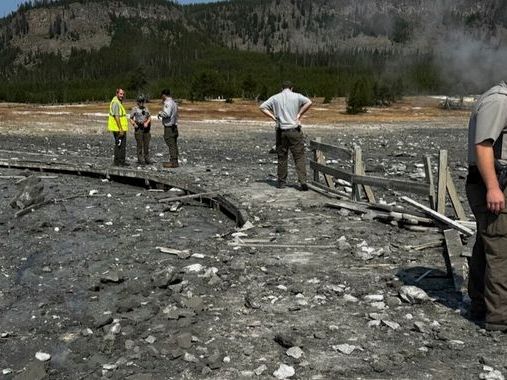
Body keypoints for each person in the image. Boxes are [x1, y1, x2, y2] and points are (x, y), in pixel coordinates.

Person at [466, 81, 507, 331]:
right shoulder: (500, 100)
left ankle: (480, 304)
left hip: (492, 182)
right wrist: (492, 187)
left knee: (487, 242)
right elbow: (483, 146)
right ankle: (500, 317)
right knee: (501, 249)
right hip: (492, 184)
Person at [260, 80, 312, 191]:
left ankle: (281, 182)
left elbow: (262, 107)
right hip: (294, 129)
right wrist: (299, 115)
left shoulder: (275, 98)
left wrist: (273, 117)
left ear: (281, 88)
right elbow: (309, 102)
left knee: (282, 157)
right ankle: (303, 181)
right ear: (292, 88)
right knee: (299, 157)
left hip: (281, 130)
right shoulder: (297, 96)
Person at [107, 88, 129, 166]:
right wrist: (120, 129)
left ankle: (121, 161)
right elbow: (117, 117)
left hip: (119, 128)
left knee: (121, 145)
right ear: (117, 94)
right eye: (120, 94)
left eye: (123, 94)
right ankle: (118, 162)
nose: (122, 95)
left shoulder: (118, 102)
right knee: (119, 145)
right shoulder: (116, 103)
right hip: (118, 129)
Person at [158, 89, 179, 168]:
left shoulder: (167, 103)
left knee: (171, 143)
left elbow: (166, 114)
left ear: (164, 95)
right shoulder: (174, 102)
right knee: (174, 143)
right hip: (174, 126)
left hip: (169, 126)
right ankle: (174, 159)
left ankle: (174, 161)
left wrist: (160, 113)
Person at [130, 95, 152, 165]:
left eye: (143, 101)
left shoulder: (146, 109)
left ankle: (147, 158)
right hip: (138, 128)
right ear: (138, 102)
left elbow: (149, 117)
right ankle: (140, 159)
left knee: (146, 144)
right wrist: (134, 124)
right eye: (140, 101)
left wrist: (147, 122)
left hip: (146, 128)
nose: (141, 103)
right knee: (139, 145)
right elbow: (130, 118)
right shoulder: (135, 109)